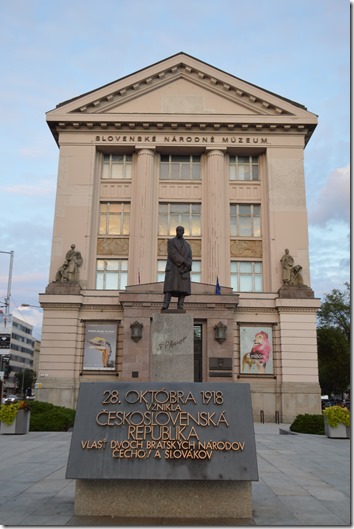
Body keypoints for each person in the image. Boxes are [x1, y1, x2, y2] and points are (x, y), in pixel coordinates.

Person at [162, 226, 192, 310]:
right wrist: (184, 262)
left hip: (183, 270)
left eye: (180, 231)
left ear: (183, 232)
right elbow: (173, 254)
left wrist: (188, 264)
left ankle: (180, 305)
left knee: (183, 289)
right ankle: (165, 304)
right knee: (169, 288)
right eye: (177, 230)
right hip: (173, 267)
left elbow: (190, 256)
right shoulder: (171, 242)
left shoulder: (187, 245)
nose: (179, 232)